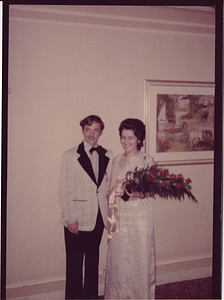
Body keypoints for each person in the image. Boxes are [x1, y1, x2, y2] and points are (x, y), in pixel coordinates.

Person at [59, 115, 113, 299]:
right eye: (88, 129)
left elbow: (109, 187)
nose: (91, 134)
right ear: (83, 130)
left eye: (96, 130)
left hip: (98, 217)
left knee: (93, 262)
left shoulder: (108, 155)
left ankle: (91, 296)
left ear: (101, 132)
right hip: (77, 219)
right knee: (74, 265)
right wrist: (70, 218)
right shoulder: (70, 155)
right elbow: (64, 189)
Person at [104, 118, 156, 299]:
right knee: (120, 258)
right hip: (120, 216)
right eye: (123, 137)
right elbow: (110, 189)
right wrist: (117, 190)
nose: (125, 142)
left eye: (130, 138)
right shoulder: (116, 160)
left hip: (141, 216)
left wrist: (130, 191)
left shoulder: (147, 160)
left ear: (139, 139)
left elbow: (150, 191)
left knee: (139, 258)